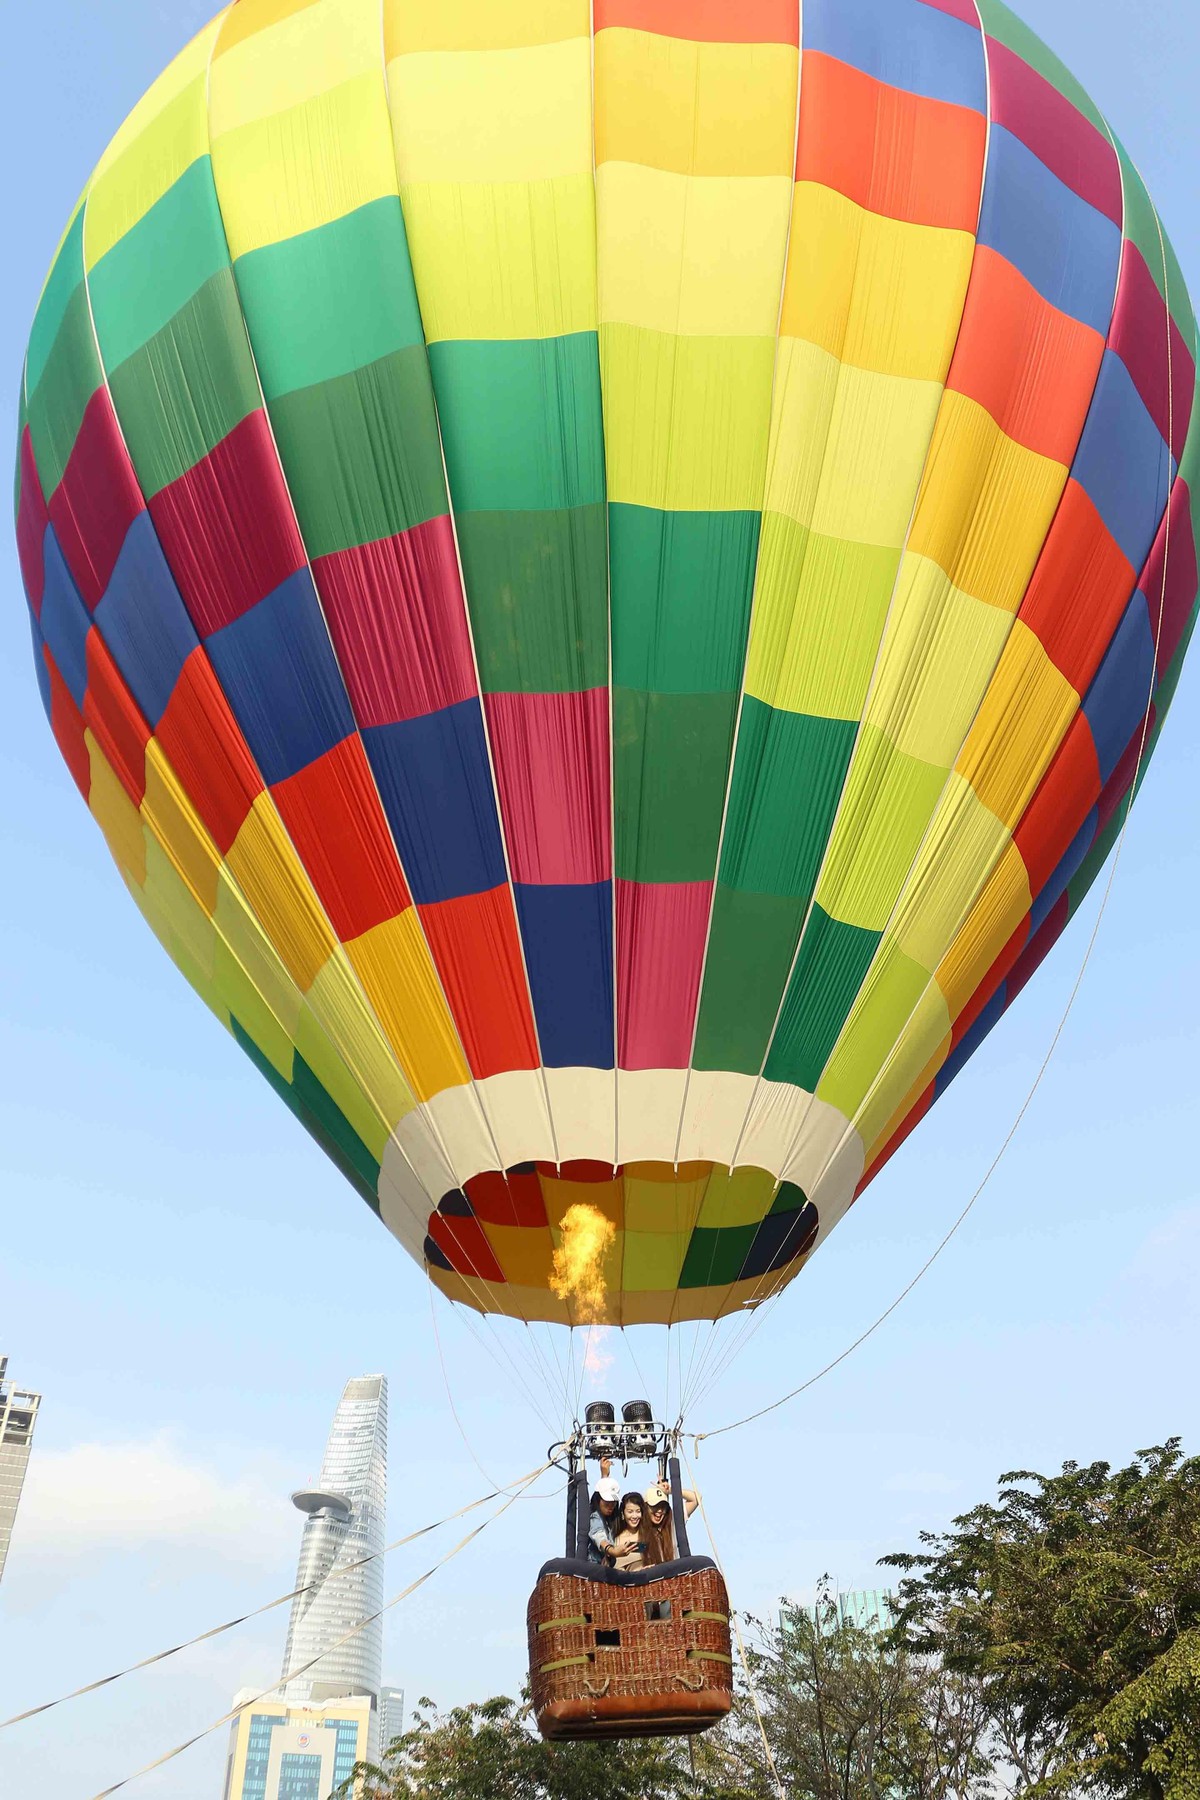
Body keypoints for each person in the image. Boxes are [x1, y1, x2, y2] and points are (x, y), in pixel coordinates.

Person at [641, 1478, 699, 1566]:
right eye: (655, 1506)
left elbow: (696, 1498)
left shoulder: (672, 1522)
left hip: (675, 1576)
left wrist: (671, 1490)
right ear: (646, 1507)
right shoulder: (639, 1529)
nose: (659, 1511)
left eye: (663, 1506)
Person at [587, 1472, 621, 1566]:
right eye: (607, 1502)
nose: (610, 1506)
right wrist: (610, 1550)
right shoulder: (595, 1516)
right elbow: (598, 1534)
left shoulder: (611, 1520)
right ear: (598, 1500)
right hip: (593, 1568)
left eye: (613, 1502)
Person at [611, 1492, 648, 1571]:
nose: (634, 1516)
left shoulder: (648, 1535)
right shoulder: (614, 1538)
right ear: (623, 1513)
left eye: (638, 1511)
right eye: (630, 1512)